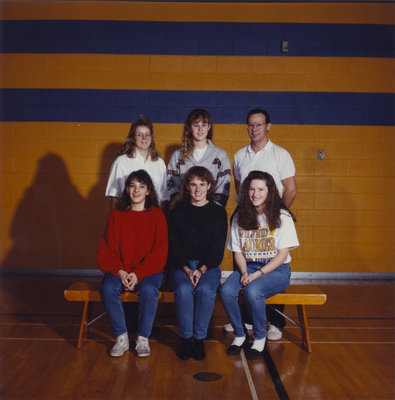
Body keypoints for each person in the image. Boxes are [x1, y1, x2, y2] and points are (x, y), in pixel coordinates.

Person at [225, 108, 297, 340]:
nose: (254, 129)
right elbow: (240, 188)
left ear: (268, 126)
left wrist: (275, 213)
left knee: (272, 262)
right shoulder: (239, 155)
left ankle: (275, 322)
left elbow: (291, 188)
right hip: (247, 211)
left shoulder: (280, 154)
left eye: (259, 124)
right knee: (243, 262)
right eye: (250, 125)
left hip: (272, 214)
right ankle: (246, 319)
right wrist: (251, 209)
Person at [220, 171, 299, 359]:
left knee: (253, 291)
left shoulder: (282, 216)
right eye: (251, 189)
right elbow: (237, 251)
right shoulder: (240, 216)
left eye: (261, 189)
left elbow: (282, 256)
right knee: (226, 291)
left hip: (277, 270)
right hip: (249, 267)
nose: (255, 194)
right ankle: (239, 335)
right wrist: (245, 271)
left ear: (270, 192)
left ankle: (259, 338)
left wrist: (257, 275)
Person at [97, 170, 168, 358]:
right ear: (127, 189)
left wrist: (138, 274)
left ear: (148, 192)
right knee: (107, 288)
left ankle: (143, 338)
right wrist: (120, 272)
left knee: (149, 291)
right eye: (132, 185)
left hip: (147, 271)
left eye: (141, 186)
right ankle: (122, 337)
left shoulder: (157, 216)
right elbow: (106, 251)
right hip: (120, 269)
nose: (136, 190)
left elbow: (159, 254)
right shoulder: (116, 215)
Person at [167, 166, 228, 360]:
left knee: (206, 291)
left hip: (207, 267)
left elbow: (217, 249)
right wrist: (187, 269)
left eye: (202, 184)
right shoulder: (177, 211)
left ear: (209, 186)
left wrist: (200, 271)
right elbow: (174, 245)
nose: (198, 189)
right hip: (181, 266)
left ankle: (199, 339)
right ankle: (186, 339)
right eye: (193, 184)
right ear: (187, 187)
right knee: (184, 291)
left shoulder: (219, 213)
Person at [167, 109, 231, 208]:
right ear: (189, 128)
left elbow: (223, 187)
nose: (200, 129)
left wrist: (213, 209)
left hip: (211, 212)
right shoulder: (177, 155)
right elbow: (172, 186)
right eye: (196, 125)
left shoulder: (220, 155)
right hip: (184, 211)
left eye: (204, 125)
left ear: (209, 127)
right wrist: (180, 208)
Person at [105, 115, 169, 209]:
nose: (144, 138)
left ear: (151, 137)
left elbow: (163, 197)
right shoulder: (121, 162)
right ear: (132, 138)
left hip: (153, 217)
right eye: (139, 134)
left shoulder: (159, 162)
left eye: (147, 134)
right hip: (129, 216)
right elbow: (115, 196)